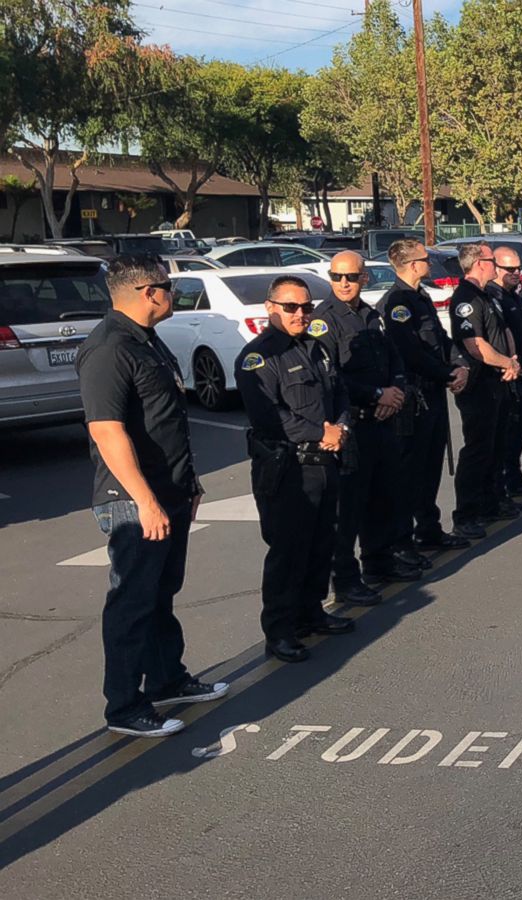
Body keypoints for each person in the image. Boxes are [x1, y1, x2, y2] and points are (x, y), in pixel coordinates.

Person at [77, 254, 227, 738]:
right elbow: (107, 432)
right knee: (132, 604)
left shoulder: (145, 339)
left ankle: (166, 679)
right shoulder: (109, 348)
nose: (173, 294)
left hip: (170, 491)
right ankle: (124, 706)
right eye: (169, 286)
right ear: (148, 292)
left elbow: (165, 421)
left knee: (161, 594)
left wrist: (189, 484)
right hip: (133, 500)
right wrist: (144, 500)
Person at [236, 275, 356, 664]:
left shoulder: (316, 349)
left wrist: (340, 429)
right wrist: (322, 432)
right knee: (288, 551)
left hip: (325, 461)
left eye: (306, 306)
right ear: (270, 307)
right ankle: (280, 630)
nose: (300, 314)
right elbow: (270, 417)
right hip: (288, 466)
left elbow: (339, 394)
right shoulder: (258, 357)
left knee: (323, 543)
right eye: (290, 307)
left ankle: (311, 612)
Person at [309, 250, 417, 604]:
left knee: (383, 497)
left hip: (383, 421)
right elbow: (331, 377)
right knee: (349, 509)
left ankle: (379, 562)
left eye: (351, 277)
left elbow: (395, 357)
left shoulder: (372, 315)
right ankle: (346, 579)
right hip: (353, 426)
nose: (344, 283)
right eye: (337, 277)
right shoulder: (324, 321)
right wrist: (376, 394)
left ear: (364, 278)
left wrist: (396, 390)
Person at [381, 238, 471, 551]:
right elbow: (411, 353)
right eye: (424, 259)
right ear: (411, 265)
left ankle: (429, 529)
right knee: (411, 471)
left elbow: (441, 340)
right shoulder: (398, 303)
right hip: (414, 397)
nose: (429, 264)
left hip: (433, 392)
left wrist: (459, 364)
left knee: (431, 465)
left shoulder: (420, 297)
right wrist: (447, 373)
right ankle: (404, 541)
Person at [449, 241, 522, 536]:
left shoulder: (487, 295)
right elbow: (475, 346)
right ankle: (466, 513)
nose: (496, 265)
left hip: (499, 382)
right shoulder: (466, 299)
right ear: (480, 262)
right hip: (480, 384)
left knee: (496, 445)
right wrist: (506, 363)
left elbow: (503, 331)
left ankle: (492, 502)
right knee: (477, 449)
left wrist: (514, 361)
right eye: (492, 259)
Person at [489, 246, 522, 499]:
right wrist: (518, 363)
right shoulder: (493, 296)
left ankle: (515, 478)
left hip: (521, 368)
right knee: (506, 432)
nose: (516, 273)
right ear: (495, 267)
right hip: (506, 373)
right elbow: (501, 338)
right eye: (510, 269)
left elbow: (521, 335)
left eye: (518, 268)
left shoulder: (514, 295)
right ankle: (502, 485)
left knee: (521, 425)